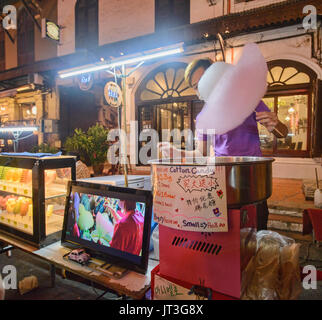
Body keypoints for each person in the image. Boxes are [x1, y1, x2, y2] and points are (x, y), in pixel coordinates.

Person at [159, 58, 288, 230]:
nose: (203, 88)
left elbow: (282, 133)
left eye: (205, 80)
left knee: (257, 228)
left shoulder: (248, 99)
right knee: (229, 230)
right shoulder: (203, 118)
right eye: (197, 86)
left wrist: (276, 125)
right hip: (222, 179)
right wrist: (177, 152)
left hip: (252, 176)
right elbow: (201, 153)